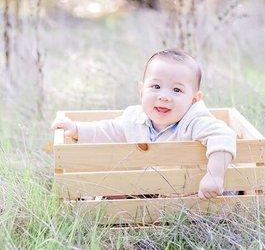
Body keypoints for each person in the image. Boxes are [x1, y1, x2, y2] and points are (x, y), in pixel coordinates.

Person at [51, 49, 236, 200]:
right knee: (114, 186)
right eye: (156, 87)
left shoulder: (194, 121)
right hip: (148, 189)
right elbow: (107, 130)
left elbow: (223, 135)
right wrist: (75, 129)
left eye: (177, 90)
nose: (164, 96)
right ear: (141, 90)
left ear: (194, 99)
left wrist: (214, 175)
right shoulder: (134, 118)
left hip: (188, 194)